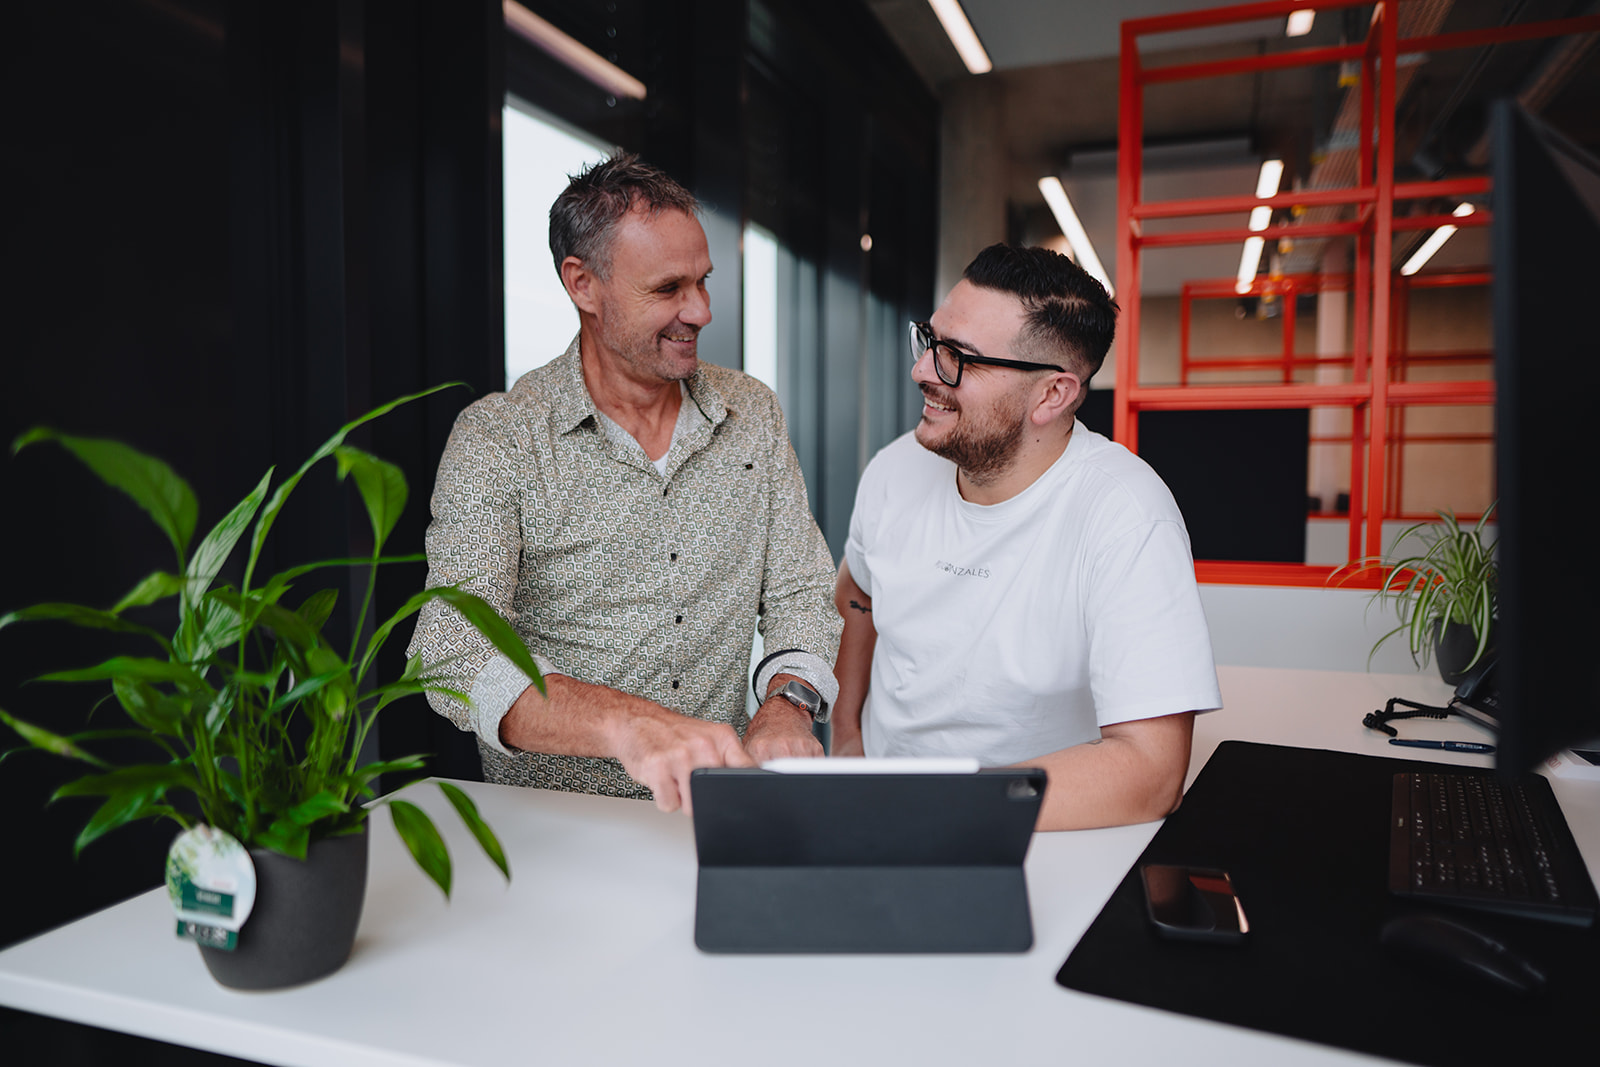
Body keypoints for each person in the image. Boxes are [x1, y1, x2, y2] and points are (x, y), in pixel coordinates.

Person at [408, 154, 840, 814]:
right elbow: (450, 651)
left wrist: (788, 703)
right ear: (583, 284)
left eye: (703, 281)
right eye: (668, 289)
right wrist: (630, 725)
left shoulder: (753, 413)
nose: (701, 311)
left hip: (711, 816)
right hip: (555, 830)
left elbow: (801, 591)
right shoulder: (500, 437)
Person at [831, 243, 1221, 831]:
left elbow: (1152, 770)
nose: (923, 371)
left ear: (1052, 395)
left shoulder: (1127, 516)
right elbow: (856, 595)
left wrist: (932, 810)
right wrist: (846, 738)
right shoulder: (895, 467)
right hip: (878, 816)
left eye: (958, 357)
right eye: (930, 340)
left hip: (1035, 836)